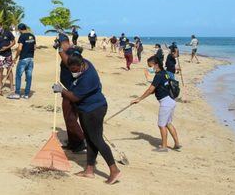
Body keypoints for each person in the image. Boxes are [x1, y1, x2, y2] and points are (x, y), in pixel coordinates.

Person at [52, 52, 121, 185]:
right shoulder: (84, 62)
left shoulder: (88, 78)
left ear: (81, 65)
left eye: (75, 70)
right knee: (89, 140)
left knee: (97, 140)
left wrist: (61, 90)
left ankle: (114, 170)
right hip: (85, 109)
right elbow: (67, 60)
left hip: (94, 110)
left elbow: (74, 97)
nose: (73, 72)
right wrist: (60, 50)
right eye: (71, 69)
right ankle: (89, 170)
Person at [131, 56, 181, 152]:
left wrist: (139, 99)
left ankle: (164, 147)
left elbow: (150, 89)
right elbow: (158, 88)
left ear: (156, 65)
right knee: (168, 123)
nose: (149, 68)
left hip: (166, 103)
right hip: (171, 101)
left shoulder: (158, 75)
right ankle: (177, 144)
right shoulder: (164, 73)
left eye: (150, 66)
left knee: (161, 125)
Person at [53, 31, 86, 153]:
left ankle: (81, 141)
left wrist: (60, 50)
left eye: (61, 44)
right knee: (70, 118)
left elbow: (68, 63)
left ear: (64, 43)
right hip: (68, 89)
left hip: (72, 91)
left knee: (70, 118)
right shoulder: (70, 51)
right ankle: (73, 143)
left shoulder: (71, 53)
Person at [8, 23, 35, 99]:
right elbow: (34, 47)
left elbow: (20, 48)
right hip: (31, 59)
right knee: (29, 76)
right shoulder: (32, 36)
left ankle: (17, 93)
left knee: (18, 76)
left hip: (23, 59)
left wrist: (16, 57)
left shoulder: (22, 36)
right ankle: (26, 94)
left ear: (20, 30)